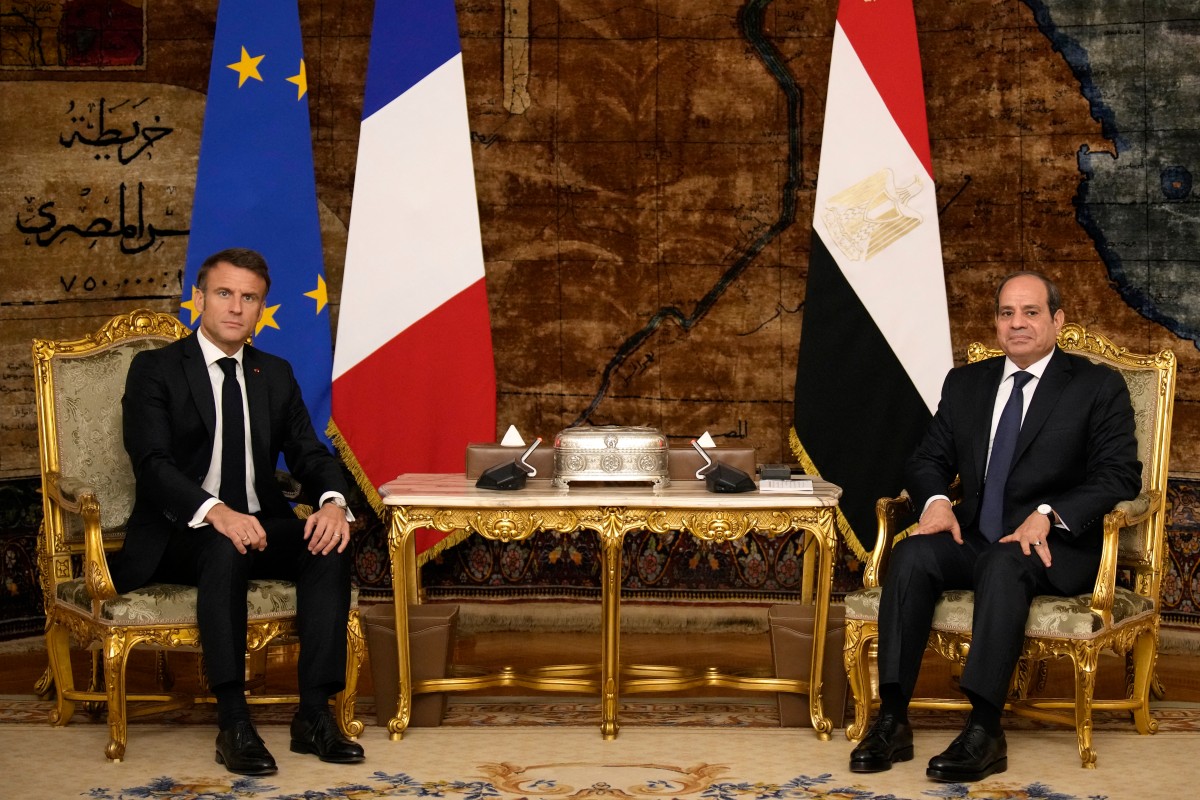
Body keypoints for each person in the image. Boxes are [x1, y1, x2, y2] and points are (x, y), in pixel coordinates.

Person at [848, 271, 1140, 782]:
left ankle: (985, 730)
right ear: (997, 322)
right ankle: (891, 719)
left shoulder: (1096, 385)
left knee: (1006, 563)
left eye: (1031, 312)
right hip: (975, 537)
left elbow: (1120, 474)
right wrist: (937, 502)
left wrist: (1049, 515)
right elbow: (926, 460)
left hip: (1049, 548)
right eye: (1007, 313)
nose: (1018, 323)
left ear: (1057, 320)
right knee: (915, 553)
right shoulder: (967, 383)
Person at [111, 247, 364, 776]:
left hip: (259, 524)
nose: (235, 307)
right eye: (224, 294)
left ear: (260, 308)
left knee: (328, 542)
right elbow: (152, 464)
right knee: (224, 544)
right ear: (199, 299)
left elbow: (308, 450)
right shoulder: (156, 369)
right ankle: (234, 722)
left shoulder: (274, 372)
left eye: (249, 298)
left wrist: (333, 503)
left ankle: (314, 715)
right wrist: (216, 511)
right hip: (180, 535)